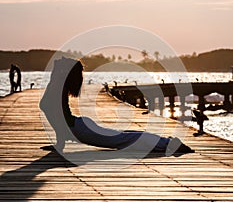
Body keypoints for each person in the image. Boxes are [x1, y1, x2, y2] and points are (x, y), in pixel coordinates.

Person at [40, 57, 194, 155]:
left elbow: (59, 119)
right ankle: (166, 142)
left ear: (62, 72)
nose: (58, 60)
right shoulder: (56, 87)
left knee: (122, 139)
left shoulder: (57, 87)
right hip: (79, 128)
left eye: (62, 62)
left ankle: (170, 144)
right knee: (122, 137)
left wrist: (60, 143)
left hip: (80, 129)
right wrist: (59, 144)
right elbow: (56, 117)